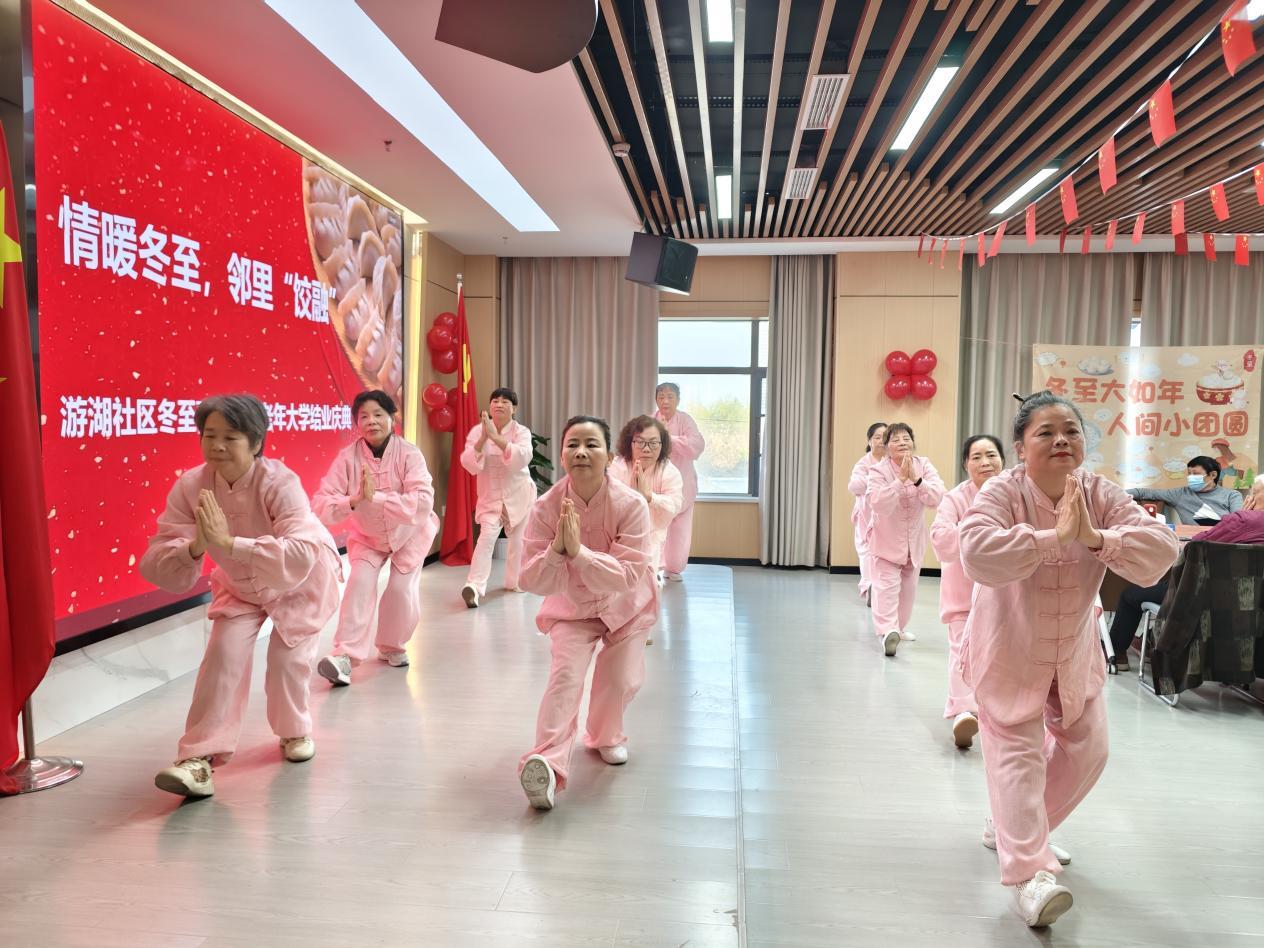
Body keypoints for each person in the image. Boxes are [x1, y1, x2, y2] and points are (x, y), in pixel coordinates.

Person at [959, 391, 1177, 928]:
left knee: (1089, 751)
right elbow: (975, 552)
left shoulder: (1099, 493)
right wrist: (1049, 538)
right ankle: (1031, 875)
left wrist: (1094, 537)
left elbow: (1161, 549)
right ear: (1020, 447)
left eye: (1071, 431)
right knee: (1017, 758)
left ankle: (1012, 831)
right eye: (1046, 432)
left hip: (1074, 652)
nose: (1061, 440)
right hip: (1009, 650)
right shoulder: (1003, 491)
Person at [140, 394, 342, 799]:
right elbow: (157, 557)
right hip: (239, 585)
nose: (217, 446)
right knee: (222, 657)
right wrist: (197, 545)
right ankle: (197, 760)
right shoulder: (191, 486)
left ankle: (294, 730)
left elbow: (300, 552)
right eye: (209, 435)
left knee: (286, 662)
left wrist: (230, 544)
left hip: (299, 583)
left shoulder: (280, 482)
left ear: (256, 442)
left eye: (230, 437)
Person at [517, 416, 658, 811]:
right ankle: (546, 764)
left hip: (626, 606)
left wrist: (578, 553)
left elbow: (627, 575)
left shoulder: (631, 505)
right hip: (572, 607)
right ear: (562, 455)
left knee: (619, 679)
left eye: (592, 444)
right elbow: (530, 578)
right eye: (573, 444)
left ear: (609, 456)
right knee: (564, 679)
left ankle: (605, 736)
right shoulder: (546, 507)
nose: (581, 452)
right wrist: (556, 551)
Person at [312, 390, 439, 687]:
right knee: (358, 584)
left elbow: (422, 502)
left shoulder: (410, 454)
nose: (371, 421)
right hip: (368, 536)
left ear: (392, 417)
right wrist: (353, 500)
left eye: (378, 414)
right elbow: (321, 504)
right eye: (364, 416)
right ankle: (344, 656)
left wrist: (377, 498)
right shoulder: (348, 458)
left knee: (400, 590)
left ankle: (391, 645)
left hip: (410, 533)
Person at [1109, 478, 1264, 670]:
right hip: (1254, 605)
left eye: (1254, 493)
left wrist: (1244, 515)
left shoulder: (1243, 520)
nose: (1249, 497)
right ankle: (1150, 642)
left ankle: (1117, 655)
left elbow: (1195, 545)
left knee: (1130, 595)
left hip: (1206, 598)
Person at [930, 434, 1004, 749]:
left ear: (1003, 460)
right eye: (976, 457)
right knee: (962, 651)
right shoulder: (955, 499)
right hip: (963, 595)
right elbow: (941, 541)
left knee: (999, 657)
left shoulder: (1016, 494)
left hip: (1004, 595)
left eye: (991, 455)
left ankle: (994, 711)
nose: (985, 462)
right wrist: (978, 531)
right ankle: (963, 711)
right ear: (966, 464)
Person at [865, 423, 945, 657]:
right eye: (896, 439)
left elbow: (937, 497)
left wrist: (917, 480)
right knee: (886, 588)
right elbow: (878, 503)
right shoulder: (878, 471)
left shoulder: (924, 465)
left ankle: (897, 630)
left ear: (913, 442)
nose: (902, 442)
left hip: (913, 542)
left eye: (906, 438)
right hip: (886, 540)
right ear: (886, 447)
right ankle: (886, 632)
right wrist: (900, 480)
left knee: (908, 591)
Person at [458, 388, 536, 608]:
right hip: (490, 498)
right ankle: (474, 587)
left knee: (518, 542)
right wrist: (484, 438)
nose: (499, 404)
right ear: (490, 406)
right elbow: (469, 463)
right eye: (495, 401)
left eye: (505, 401)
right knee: (486, 539)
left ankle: (515, 582)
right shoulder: (477, 431)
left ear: (514, 408)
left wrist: (496, 438)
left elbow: (522, 458)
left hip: (519, 495)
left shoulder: (521, 431)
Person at [610, 415, 683, 645]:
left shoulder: (669, 471)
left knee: (647, 580)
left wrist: (649, 496)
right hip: (618, 534)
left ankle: (642, 629)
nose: (647, 449)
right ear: (630, 442)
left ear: (662, 445)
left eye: (653, 443)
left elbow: (675, 504)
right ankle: (617, 624)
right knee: (618, 581)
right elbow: (608, 498)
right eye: (640, 442)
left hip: (651, 534)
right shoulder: (618, 466)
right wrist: (633, 494)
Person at [654, 382, 705, 581]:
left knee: (679, 530)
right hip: (655, 483)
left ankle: (673, 569)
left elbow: (697, 445)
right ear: (656, 400)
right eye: (661, 396)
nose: (665, 401)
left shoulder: (685, 420)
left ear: (678, 400)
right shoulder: (650, 421)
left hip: (683, 481)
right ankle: (652, 567)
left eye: (670, 397)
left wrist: (670, 439)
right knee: (654, 526)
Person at [1126, 456, 1242, 525]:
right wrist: (1118, 493)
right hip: (1193, 544)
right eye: (1189, 474)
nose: (1191, 477)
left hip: (1224, 542)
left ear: (1213, 475)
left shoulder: (1232, 495)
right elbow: (1144, 492)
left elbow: (1238, 522)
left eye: (1195, 474)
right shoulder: (1181, 494)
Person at [848, 422, 887, 604]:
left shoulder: (892, 462)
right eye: (877, 437)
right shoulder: (863, 463)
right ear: (869, 441)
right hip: (866, 514)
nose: (881, 441)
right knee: (865, 550)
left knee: (883, 553)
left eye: (884, 437)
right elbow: (854, 486)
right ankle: (868, 587)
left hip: (886, 515)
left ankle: (881, 588)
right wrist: (876, 478)